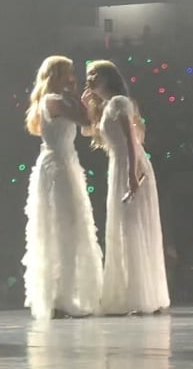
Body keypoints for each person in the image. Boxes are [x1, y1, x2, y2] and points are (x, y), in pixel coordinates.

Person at [82, 60, 170, 315]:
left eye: (94, 74)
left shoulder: (119, 103)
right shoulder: (109, 106)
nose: (89, 78)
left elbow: (131, 140)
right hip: (118, 166)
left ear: (108, 77)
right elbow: (88, 132)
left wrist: (132, 174)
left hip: (130, 165)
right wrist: (88, 107)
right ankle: (133, 294)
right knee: (124, 228)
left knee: (132, 227)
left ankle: (139, 296)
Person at [22, 56, 103, 320]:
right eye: (69, 72)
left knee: (71, 227)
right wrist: (83, 99)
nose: (73, 77)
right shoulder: (52, 100)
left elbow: (87, 125)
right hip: (57, 166)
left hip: (68, 163)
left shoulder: (60, 99)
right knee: (60, 227)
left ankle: (67, 295)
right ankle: (59, 298)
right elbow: (84, 119)